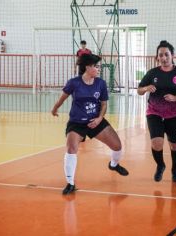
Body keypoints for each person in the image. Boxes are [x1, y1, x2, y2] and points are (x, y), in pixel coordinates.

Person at [52, 53, 129, 195]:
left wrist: (100, 118)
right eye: (96, 66)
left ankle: (113, 165)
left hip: (95, 121)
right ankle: (70, 183)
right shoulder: (74, 82)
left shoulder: (101, 83)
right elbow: (62, 98)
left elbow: (104, 104)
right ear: (88, 67)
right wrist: (55, 108)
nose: (99, 69)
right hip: (76, 122)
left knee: (117, 146)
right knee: (71, 148)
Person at [137, 40, 176, 182]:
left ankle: (175, 169)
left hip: (174, 114)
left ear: (172, 55)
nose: (163, 58)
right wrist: (146, 88)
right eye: (160, 55)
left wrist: (175, 98)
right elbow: (139, 90)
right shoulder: (152, 73)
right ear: (157, 57)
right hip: (154, 112)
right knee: (156, 142)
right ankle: (160, 165)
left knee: (174, 145)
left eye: (166, 55)